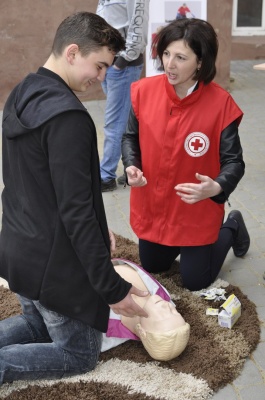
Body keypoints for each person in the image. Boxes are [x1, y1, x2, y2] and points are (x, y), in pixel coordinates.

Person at [0, 11, 150, 385]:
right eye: (99, 66)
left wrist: (103, 231)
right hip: (52, 269)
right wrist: (112, 290)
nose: (101, 79)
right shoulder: (68, 118)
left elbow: (33, 185)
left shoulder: (20, 92)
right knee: (80, 353)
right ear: (71, 52)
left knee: (36, 325)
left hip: (19, 251)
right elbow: (77, 212)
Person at [121, 18, 250, 292]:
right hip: (154, 204)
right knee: (154, 266)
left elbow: (233, 162)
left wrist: (217, 186)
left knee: (195, 281)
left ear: (201, 62)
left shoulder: (220, 103)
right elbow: (130, 137)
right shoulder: (144, 91)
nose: (169, 64)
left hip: (195, 209)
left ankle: (233, 226)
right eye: (166, 54)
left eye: (180, 57)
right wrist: (132, 164)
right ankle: (179, 246)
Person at [96, 0, 149, 191]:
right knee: (126, 120)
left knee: (115, 122)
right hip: (109, 63)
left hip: (123, 66)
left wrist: (122, 62)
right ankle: (133, 166)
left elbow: (139, 25)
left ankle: (106, 176)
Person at [102, 259, 190, 361]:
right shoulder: (161, 295)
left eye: (163, 316)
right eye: (175, 312)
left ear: (142, 331)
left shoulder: (105, 327)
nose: (168, 306)